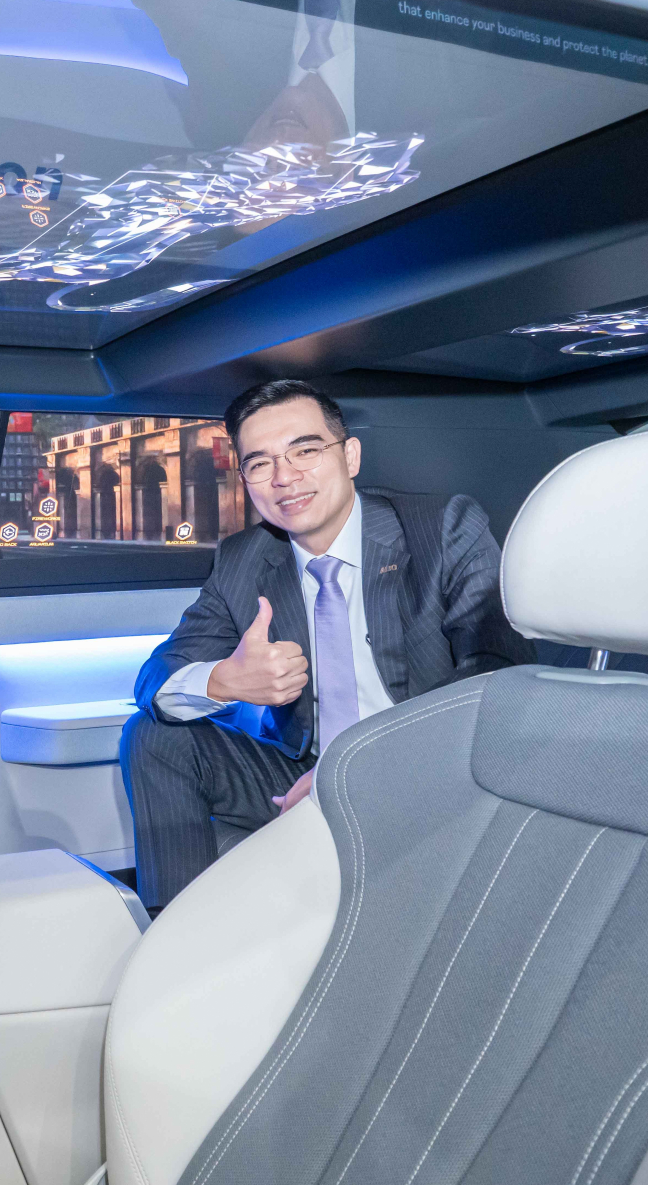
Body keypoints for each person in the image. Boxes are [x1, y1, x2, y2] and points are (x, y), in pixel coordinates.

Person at [123, 379, 534, 908]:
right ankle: (175, 933)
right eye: (260, 463)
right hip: (302, 774)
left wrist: (356, 770)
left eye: (306, 451)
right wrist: (225, 680)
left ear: (350, 455)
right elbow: (153, 679)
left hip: (425, 768)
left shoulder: (442, 527)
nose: (284, 477)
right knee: (151, 734)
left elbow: (495, 671)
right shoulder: (243, 560)